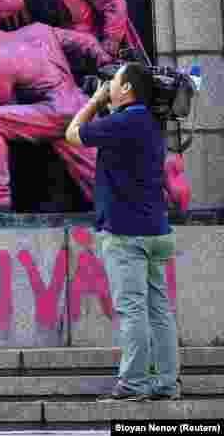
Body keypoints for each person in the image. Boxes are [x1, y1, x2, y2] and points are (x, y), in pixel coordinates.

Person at [66, 62, 179, 402]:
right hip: (157, 230)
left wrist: (97, 100)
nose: (108, 85)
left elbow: (73, 134)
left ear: (126, 88)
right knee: (159, 310)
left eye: (113, 82)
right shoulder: (149, 123)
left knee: (132, 311)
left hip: (126, 234)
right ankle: (166, 384)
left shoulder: (124, 121)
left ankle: (133, 384)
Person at [0, 11, 114, 211]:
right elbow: (87, 41)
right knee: (97, 176)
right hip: (81, 106)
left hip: (58, 112)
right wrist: (105, 61)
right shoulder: (39, 30)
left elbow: (10, 116)